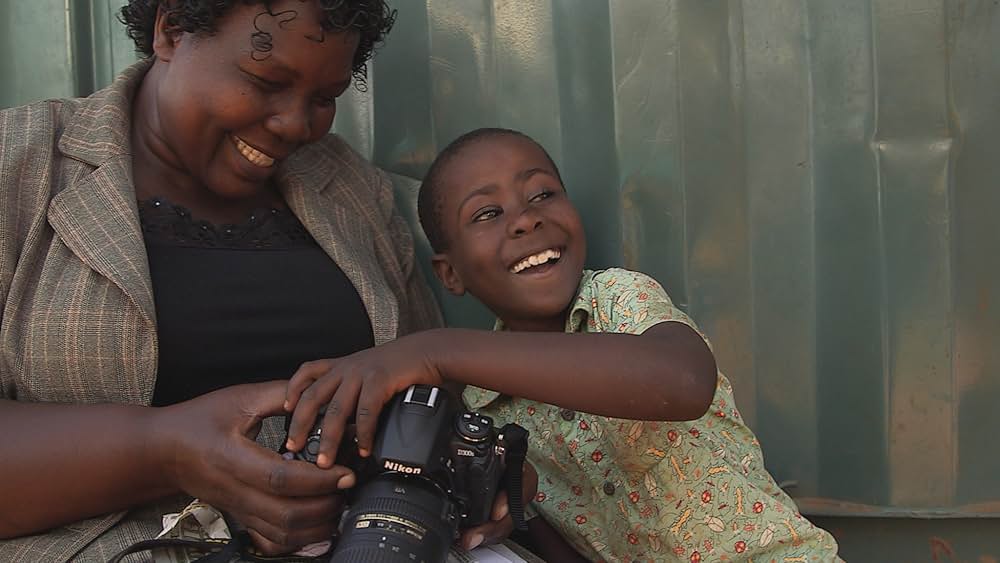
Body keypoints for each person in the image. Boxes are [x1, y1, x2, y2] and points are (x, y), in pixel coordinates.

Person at [0, 1, 443, 561]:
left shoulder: (350, 187)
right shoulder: (17, 163)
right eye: (265, 80)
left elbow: (427, 384)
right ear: (171, 30)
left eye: (324, 98)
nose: (293, 125)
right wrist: (166, 452)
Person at [282, 128, 843, 562]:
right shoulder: (483, 414)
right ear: (449, 274)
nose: (526, 220)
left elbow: (683, 384)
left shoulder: (619, 300)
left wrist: (434, 350)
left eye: (542, 193)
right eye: (488, 213)